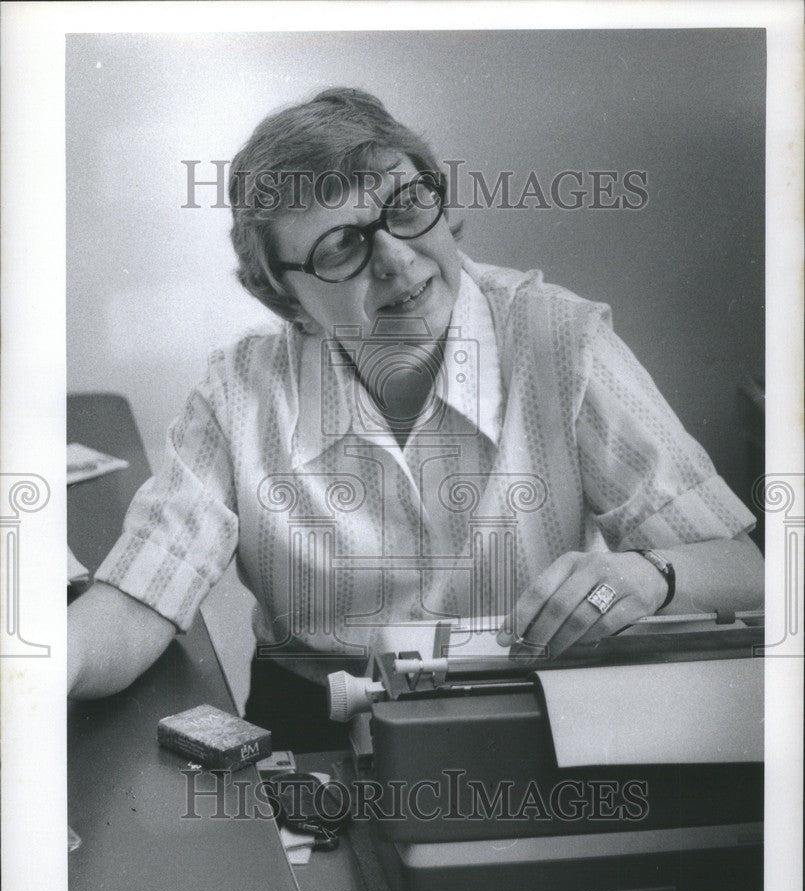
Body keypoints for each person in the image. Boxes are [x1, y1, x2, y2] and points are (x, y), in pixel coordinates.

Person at [68, 88, 764, 751]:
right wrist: (42, 668)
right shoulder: (240, 386)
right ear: (286, 297)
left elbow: (741, 568)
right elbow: (140, 598)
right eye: (341, 246)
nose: (398, 260)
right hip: (311, 724)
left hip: (533, 711)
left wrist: (647, 577)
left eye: (406, 207)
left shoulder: (561, 341)